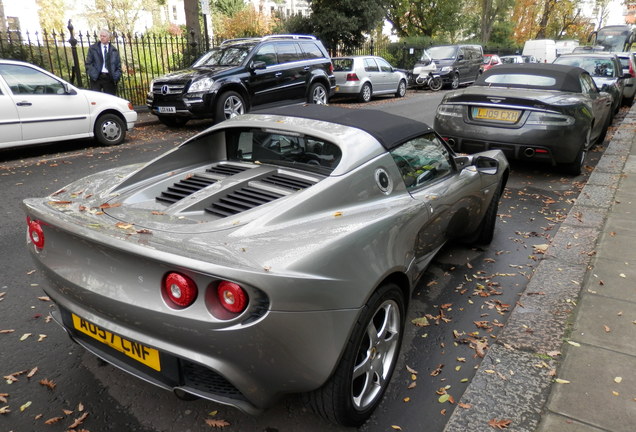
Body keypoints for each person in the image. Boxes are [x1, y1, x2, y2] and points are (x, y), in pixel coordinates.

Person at [85, 29, 122, 95]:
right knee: (96, 99)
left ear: (109, 38)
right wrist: (93, 74)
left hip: (109, 78)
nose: (102, 38)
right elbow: (88, 63)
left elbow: (118, 66)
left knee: (110, 99)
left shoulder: (114, 50)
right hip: (96, 77)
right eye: (101, 36)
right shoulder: (93, 48)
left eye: (104, 36)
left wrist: (115, 77)